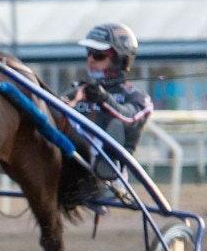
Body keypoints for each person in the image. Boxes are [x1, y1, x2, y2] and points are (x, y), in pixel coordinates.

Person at [63, 22, 152, 179]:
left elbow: (129, 118)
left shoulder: (136, 97)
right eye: (89, 53)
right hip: (68, 168)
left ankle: (107, 164)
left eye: (99, 55)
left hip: (109, 182)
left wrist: (103, 99)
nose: (91, 60)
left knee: (116, 124)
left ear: (120, 58)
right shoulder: (78, 91)